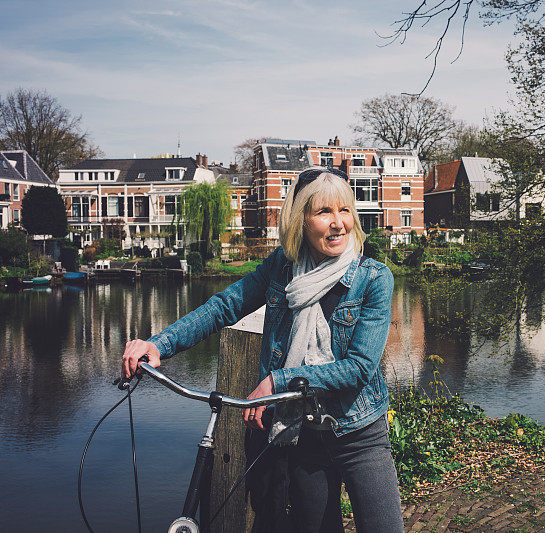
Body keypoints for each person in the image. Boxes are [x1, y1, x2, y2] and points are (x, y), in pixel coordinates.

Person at [121, 168, 404, 533]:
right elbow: (224, 305)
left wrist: (278, 381)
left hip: (360, 432)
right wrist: (158, 344)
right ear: (300, 219)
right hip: (304, 435)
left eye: (345, 211)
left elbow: (359, 368)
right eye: (323, 212)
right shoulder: (281, 269)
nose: (338, 224)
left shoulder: (373, 278)